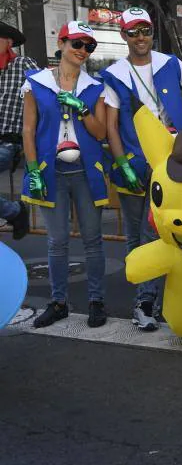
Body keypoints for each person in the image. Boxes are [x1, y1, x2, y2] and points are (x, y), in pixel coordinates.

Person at [101, 7, 182, 332]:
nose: (140, 37)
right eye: (133, 32)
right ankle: (144, 301)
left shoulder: (171, 63)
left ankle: (153, 301)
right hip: (134, 163)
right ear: (123, 36)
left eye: (146, 31)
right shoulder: (115, 73)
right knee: (136, 235)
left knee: (158, 231)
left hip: (172, 163)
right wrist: (122, 163)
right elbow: (112, 126)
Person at [21, 21, 108, 328]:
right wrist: (33, 170)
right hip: (51, 171)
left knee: (93, 240)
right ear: (61, 43)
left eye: (89, 46)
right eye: (77, 43)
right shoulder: (36, 82)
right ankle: (58, 302)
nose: (82, 50)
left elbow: (99, 132)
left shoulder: (94, 87)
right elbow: (28, 130)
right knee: (56, 242)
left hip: (85, 171)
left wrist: (82, 109)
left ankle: (96, 301)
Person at [0, 21, 36, 240]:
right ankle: (14, 211)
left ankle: (14, 212)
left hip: (8, 142)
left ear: (8, 42)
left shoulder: (23, 64)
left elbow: (44, 93)